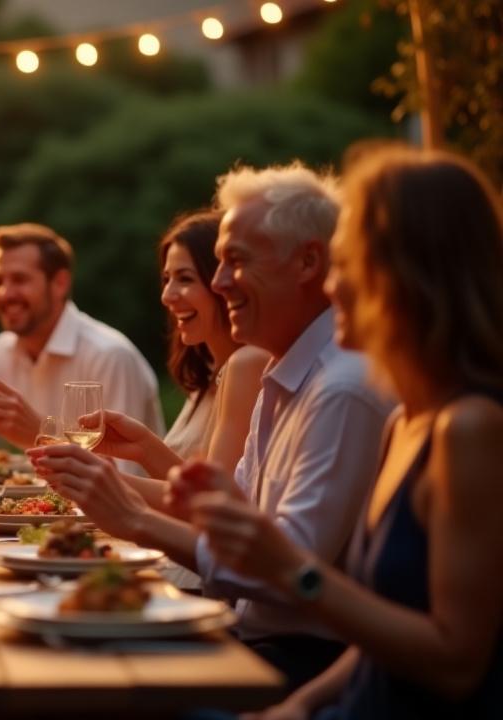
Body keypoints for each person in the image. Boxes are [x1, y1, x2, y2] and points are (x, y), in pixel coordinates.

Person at [30, 163, 392, 691]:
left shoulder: (341, 389)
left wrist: (134, 517)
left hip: (298, 664)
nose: (220, 283)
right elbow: (235, 519)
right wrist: (127, 479)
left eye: (235, 262)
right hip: (249, 637)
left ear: (309, 262)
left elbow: (287, 574)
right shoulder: (282, 375)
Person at [189, 148, 503, 718]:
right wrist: (298, 707)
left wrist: (292, 571)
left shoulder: (472, 427)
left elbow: (457, 663)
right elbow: (377, 633)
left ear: (409, 276)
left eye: (347, 263)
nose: (331, 287)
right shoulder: (404, 422)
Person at [0, 223, 163, 463]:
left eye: (19, 279)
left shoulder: (110, 356)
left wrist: (40, 435)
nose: (5, 293)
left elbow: (123, 473)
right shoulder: (4, 349)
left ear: (60, 283)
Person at [82, 211, 269, 511]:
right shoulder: (208, 372)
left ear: (223, 282)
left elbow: (212, 505)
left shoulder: (248, 365)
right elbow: (190, 488)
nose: (167, 296)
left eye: (185, 279)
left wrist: (104, 480)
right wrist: (143, 446)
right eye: (166, 279)